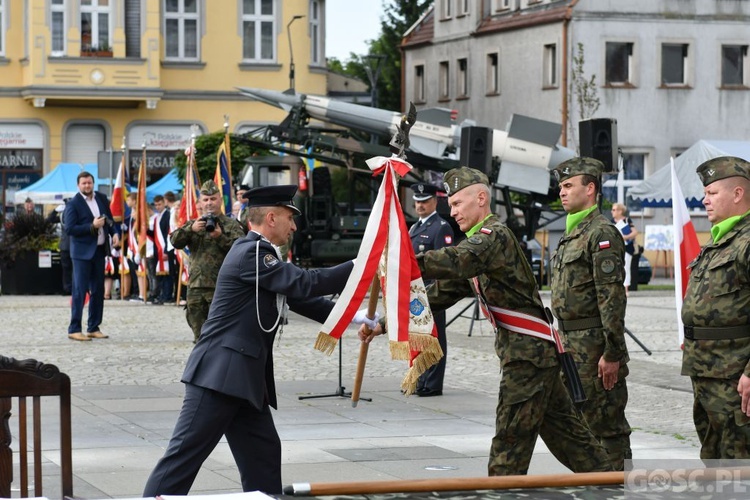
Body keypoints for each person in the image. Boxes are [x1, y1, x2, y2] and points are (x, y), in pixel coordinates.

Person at [360, 166, 612, 476]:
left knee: (509, 445)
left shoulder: (493, 238)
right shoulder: (480, 244)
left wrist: (404, 260)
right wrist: (384, 323)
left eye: (457, 204)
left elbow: (457, 259)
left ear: (481, 198)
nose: (452, 212)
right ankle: (615, 485)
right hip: (533, 356)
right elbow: (438, 294)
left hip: (528, 360)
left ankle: (501, 493)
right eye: (449, 206)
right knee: (575, 444)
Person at [143, 185, 376, 496]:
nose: (294, 226)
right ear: (271, 218)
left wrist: (355, 316)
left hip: (243, 378)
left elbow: (299, 298)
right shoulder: (250, 252)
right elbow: (304, 282)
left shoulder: (259, 254)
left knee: (262, 456)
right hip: (218, 376)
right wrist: (363, 264)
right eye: (290, 218)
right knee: (182, 460)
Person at [549, 157, 631, 470]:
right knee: (580, 429)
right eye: (561, 187)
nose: (562, 192)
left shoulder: (601, 233)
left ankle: (618, 488)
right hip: (571, 347)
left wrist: (612, 354)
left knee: (606, 430)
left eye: (569, 185)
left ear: (591, 188)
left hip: (595, 348)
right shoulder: (573, 233)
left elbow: (611, 298)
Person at [681, 156, 750, 459]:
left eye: (712, 193)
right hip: (707, 373)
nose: (704, 200)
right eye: (705, 193)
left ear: (737, 194)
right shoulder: (719, 241)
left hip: (735, 377)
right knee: (714, 460)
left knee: (740, 464)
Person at [170, 180, 245, 343]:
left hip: (222, 287)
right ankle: (202, 366)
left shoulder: (231, 225)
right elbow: (175, 242)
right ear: (200, 203)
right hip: (196, 287)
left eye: (213, 198)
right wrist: (190, 229)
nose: (209, 202)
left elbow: (242, 251)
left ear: (221, 200)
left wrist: (220, 238)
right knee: (199, 336)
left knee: (221, 334)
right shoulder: (194, 224)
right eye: (205, 199)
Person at [408, 182, 454, 396]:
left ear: (435, 201)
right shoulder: (414, 228)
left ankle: (433, 383)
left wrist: (437, 289)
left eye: (425, 201)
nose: (420, 205)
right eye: (417, 202)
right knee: (419, 336)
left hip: (432, 291)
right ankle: (420, 378)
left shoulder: (441, 227)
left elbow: (443, 263)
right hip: (416, 292)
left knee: (435, 337)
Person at [64, 171, 120, 341]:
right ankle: (74, 328)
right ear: (78, 185)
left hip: (99, 251)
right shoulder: (73, 204)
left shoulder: (101, 198)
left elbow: (109, 220)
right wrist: (92, 226)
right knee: (80, 291)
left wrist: (114, 232)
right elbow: (70, 229)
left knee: (98, 290)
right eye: (84, 183)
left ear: (93, 183)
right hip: (81, 254)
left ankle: (93, 327)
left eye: (89, 183)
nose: (87, 186)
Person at [147, 195, 172, 304]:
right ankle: (162, 295)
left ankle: (167, 295)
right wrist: (146, 230)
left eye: (159, 204)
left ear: (164, 203)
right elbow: (155, 235)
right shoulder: (158, 217)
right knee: (160, 274)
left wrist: (166, 250)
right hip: (158, 249)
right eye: (156, 205)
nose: (157, 207)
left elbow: (168, 233)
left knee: (168, 274)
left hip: (165, 249)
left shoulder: (168, 215)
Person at [45, 200, 72, 294]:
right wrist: (56, 211)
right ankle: (68, 288)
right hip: (67, 245)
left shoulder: (70, 214)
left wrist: (56, 211)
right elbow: (50, 220)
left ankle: (71, 288)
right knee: (67, 268)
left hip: (72, 245)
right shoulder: (63, 214)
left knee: (72, 269)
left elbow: (50, 219)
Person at [611, 203, 638, 294]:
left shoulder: (627, 220)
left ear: (620, 211)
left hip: (627, 247)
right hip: (615, 247)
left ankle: (626, 289)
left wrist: (625, 237)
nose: (612, 212)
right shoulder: (611, 222)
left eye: (614, 210)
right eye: (612, 210)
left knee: (626, 267)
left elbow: (635, 232)